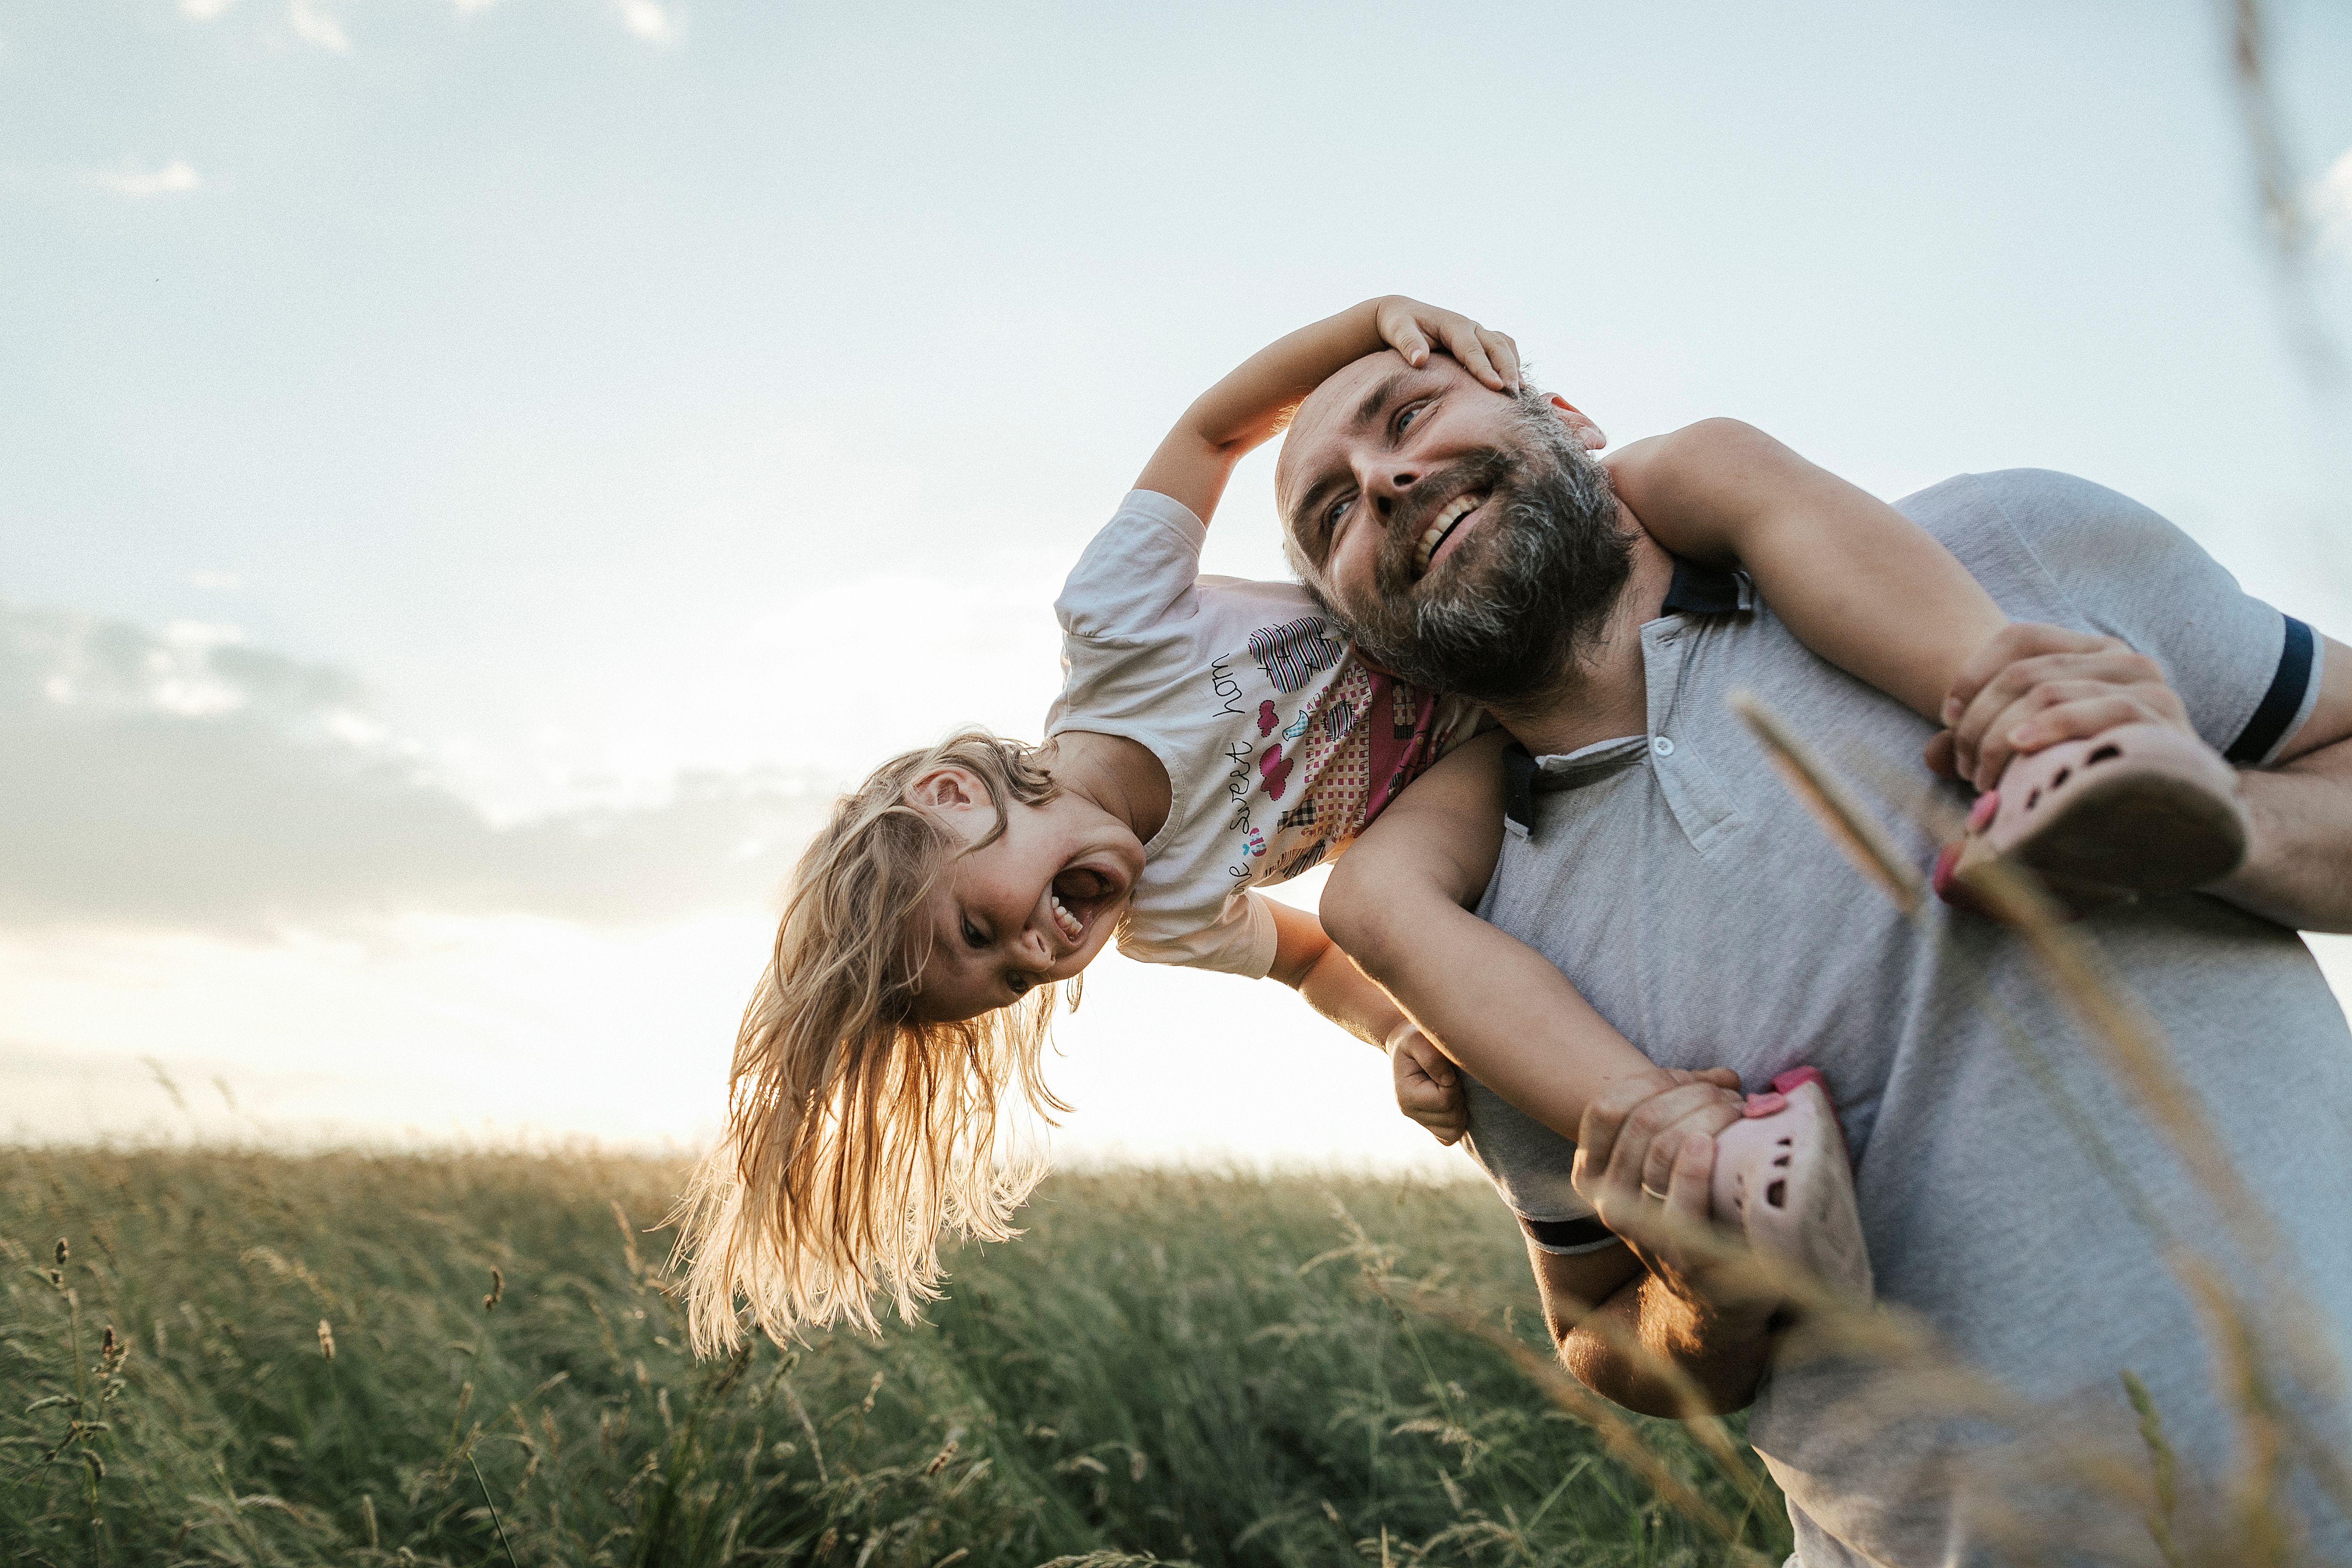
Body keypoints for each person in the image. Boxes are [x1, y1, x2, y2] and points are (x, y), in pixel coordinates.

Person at [672, 296, 2236, 1359]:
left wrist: (1373, 326)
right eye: (1015, 980)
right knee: (1374, 910)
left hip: (1488, 633)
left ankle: (2031, 721)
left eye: (983, 927)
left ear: (957, 799)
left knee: (1703, 458)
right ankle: (1695, 1155)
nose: (1044, 948)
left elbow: (1217, 424)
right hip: (1465, 743)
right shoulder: (1163, 916)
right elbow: (1307, 962)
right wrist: (1409, 1041)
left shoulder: (1116, 630)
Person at [1279, 341, 2352, 1562]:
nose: (1383, 481)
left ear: (1567, 421)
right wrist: (1705, 1298)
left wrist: (2222, 819)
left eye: (1411, 412)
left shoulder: (2010, 547)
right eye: (1331, 514)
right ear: (1365, 636)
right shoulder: (1468, 953)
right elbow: (1595, 1330)